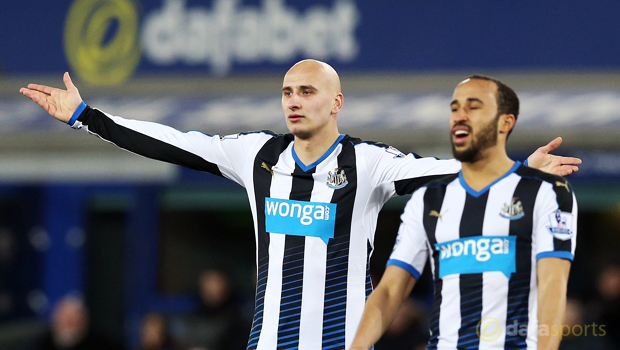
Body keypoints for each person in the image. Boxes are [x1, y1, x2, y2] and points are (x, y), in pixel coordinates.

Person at [20, 61, 580, 350]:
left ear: (336, 102)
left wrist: (521, 169)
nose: (293, 101)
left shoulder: (370, 163)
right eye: (287, 92)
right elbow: (172, 140)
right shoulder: (256, 156)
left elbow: (447, 168)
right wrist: (85, 116)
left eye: (306, 92)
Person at [350, 75, 578, 350]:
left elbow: (554, 284)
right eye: (455, 108)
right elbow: (389, 291)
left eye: (474, 107)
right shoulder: (427, 199)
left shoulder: (548, 192)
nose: (460, 116)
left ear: (506, 122)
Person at [38, 295, 121, 350]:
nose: (69, 326)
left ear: (85, 321)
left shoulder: (103, 344)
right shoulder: (42, 344)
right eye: (66, 320)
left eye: (74, 321)